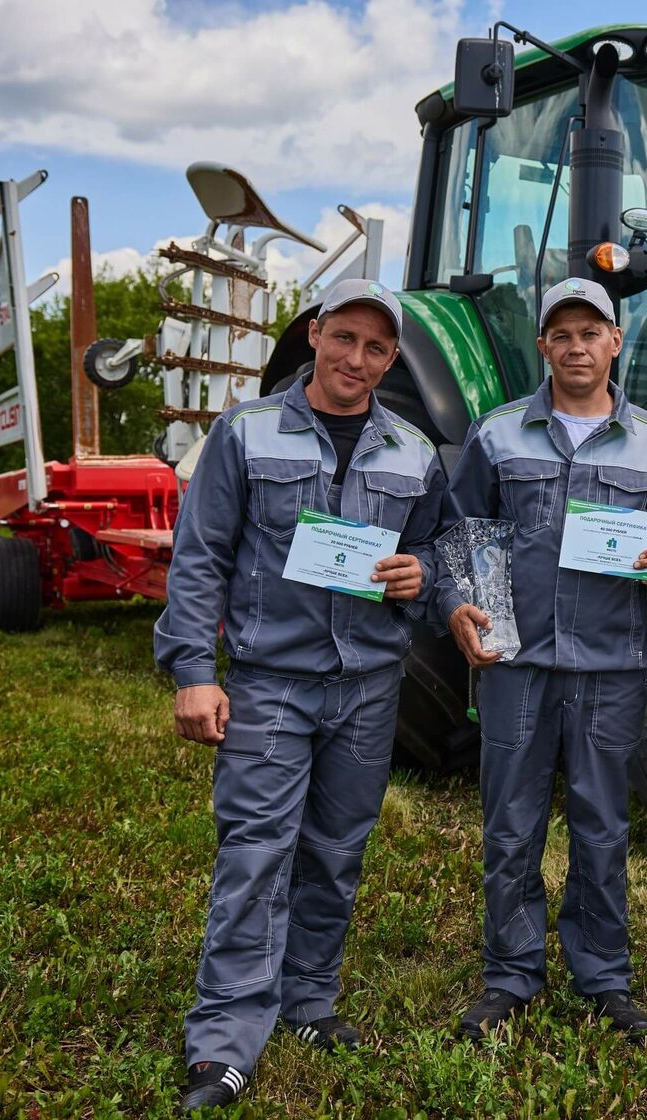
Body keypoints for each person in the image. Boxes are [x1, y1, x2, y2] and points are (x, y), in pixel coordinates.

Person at [153, 278, 445, 1111]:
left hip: (369, 688)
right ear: (315, 334)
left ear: (392, 358)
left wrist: (420, 576)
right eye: (345, 338)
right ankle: (224, 1040)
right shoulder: (244, 433)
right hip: (272, 683)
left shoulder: (415, 453)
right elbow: (200, 557)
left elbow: (434, 553)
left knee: (335, 852)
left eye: (377, 347)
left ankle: (308, 999)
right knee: (255, 853)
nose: (358, 358)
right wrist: (194, 673)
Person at [435, 277, 647, 1041]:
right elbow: (460, 534)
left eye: (591, 334)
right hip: (515, 664)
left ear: (616, 342)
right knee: (510, 824)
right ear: (543, 345)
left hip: (610, 666)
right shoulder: (497, 434)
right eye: (563, 335)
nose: (577, 348)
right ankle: (510, 974)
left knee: (602, 824)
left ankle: (603, 975)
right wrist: (459, 605)